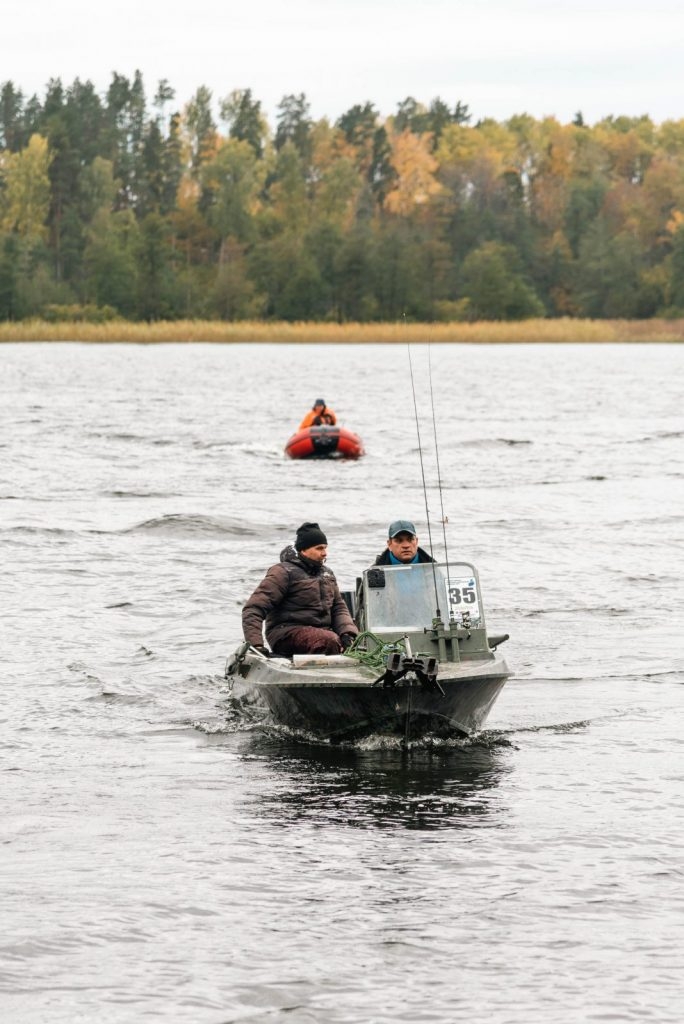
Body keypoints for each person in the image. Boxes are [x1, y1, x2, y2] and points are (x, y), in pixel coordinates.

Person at [242, 522, 358, 657]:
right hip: (286, 633)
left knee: (355, 641)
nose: (324, 553)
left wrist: (348, 634)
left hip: (324, 632)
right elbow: (254, 608)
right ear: (303, 550)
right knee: (328, 640)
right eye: (319, 548)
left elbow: (339, 608)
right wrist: (256, 645)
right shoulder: (282, 572)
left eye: (325, 548)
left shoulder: (328, 574)